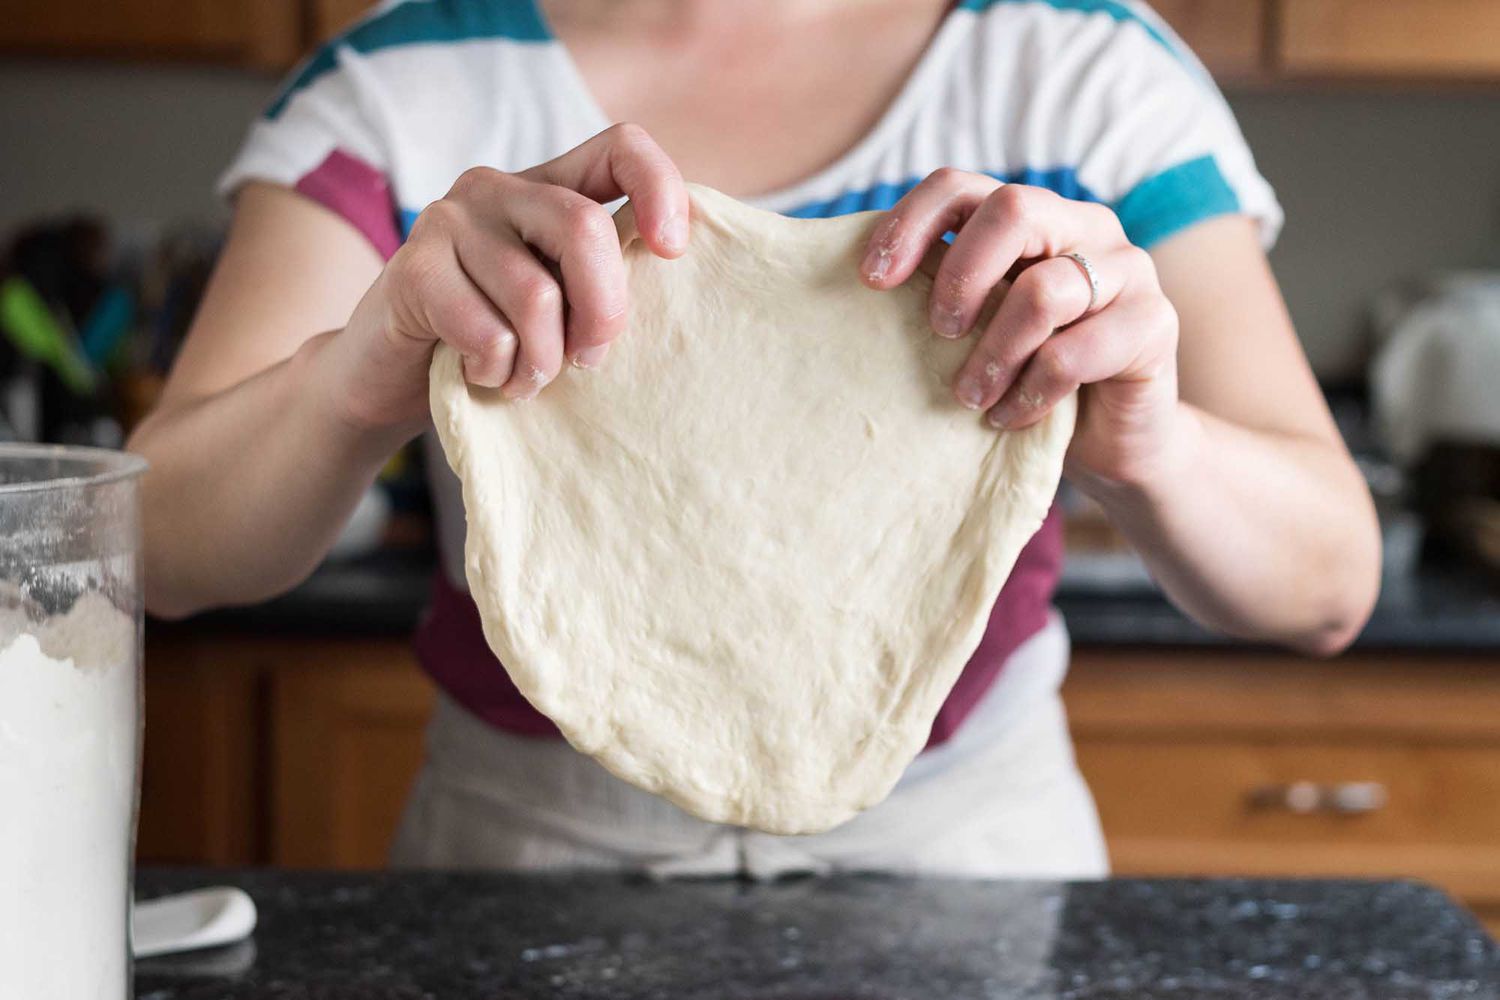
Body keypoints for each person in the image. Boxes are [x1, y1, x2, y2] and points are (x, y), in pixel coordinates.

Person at [128, 0, 1380, 878]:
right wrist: (363, 367)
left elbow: (1326, 583)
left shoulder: (1077, 72)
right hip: (531, 846)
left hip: (965, 849)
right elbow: (157, 546)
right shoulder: (411, 84)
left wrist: (1149, 437)